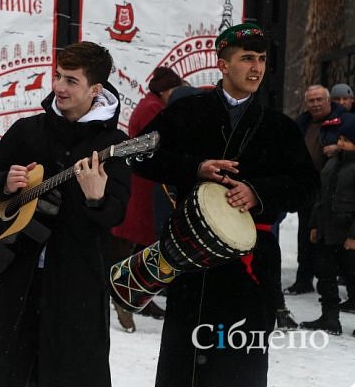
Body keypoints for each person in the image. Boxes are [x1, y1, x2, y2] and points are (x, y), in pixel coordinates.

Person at [131, 23, 318, 387]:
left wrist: (258, 192)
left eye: (262, 59)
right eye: (247, 58)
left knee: (240, 368)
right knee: (184, 367)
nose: (257, 68)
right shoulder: (187, 112)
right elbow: (138, 154)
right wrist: (193, 168)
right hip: (191, 259)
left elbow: (308, 186)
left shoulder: (279, 127)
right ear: (222, 65)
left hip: (251, 267)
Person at [0, 41, 131, 387]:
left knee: (71, 373)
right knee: (7, 373)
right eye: (57, 76)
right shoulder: (28, 131)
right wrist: (3, 183)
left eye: (71, 80)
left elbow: (116, 215)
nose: (58, 87)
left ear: (95, 89)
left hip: (76, 286)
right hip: (19, 278)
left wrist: (97, 199)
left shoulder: (114, 143)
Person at [108, 66, 182, 330]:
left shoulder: (149, 105)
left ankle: (137, 296)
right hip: (146, 185)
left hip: (144, 183)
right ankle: (127, 295)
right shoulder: (153, 109)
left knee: (137, 243)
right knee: (139, 244)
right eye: (174, 90)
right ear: (164, 90)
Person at [287, 85, 346, 295]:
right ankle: (303, 280)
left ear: (329, 100)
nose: (315, 104)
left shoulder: (344, 121)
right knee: (305, 236)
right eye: (311, 100)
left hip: (334, 190)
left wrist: (338, 149)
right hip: (307, 188)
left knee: (333, 238)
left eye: (319, 99)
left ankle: (336, 286)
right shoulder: (302, 123)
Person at [300, 112, 355, 336]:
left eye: (347, 141)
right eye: (340, 139)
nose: (341, 144)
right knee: (325, 276)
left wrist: (353, 235)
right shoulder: (332, 163)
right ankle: (330, 318)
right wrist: (314, 225)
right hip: (326, 230)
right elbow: (320, 198)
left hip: (347, 233)